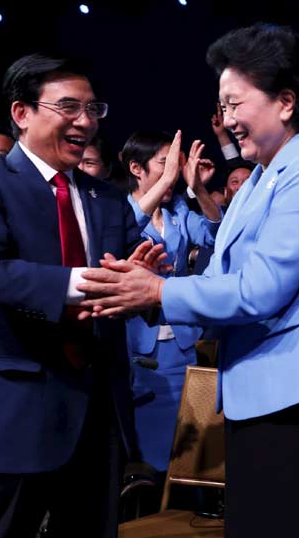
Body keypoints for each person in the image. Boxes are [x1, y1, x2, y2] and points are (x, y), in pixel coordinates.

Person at [77, 23, 299, 538]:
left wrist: (160, 292)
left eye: (235, 104)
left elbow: (260, 290)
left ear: (284, 102)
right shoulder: (260, 177)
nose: (227, 119)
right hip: (260, 393)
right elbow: (218, 276)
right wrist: (156, 282)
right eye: (222, 106)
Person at [0, 54, 159, 538]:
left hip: (96, 418)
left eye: (93, 109)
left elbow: (130, 279)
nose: (85, 121)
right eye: (69, 107)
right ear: (22, 113)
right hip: (11, 416)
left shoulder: (106, 197)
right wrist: (79, 283)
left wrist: (143, 286)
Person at [119, 129, 221, 474]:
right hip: (138, 344)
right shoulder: (119, 208)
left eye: (175, 166)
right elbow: (124, 230)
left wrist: (199, 189)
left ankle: (177, 502)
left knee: (186, 433)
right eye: (164, 164)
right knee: (145, 439)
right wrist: (166, 183)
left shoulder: (178, 210)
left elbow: (214, 234)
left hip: (180, 341)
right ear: (137, 168)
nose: (172, 174)